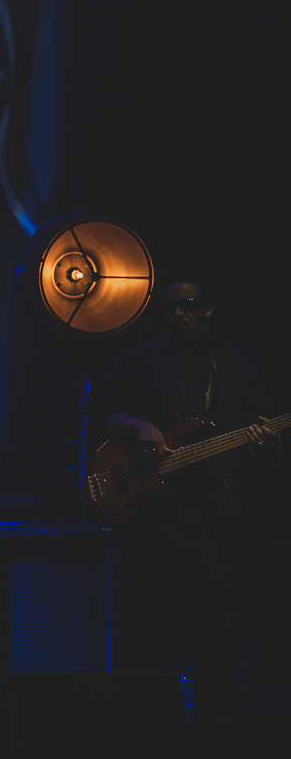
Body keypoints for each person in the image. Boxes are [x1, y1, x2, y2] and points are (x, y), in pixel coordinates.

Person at [94, 278, 277, 720]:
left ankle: (214, 731)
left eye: (188, 306)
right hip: (152, 512)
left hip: (214, 509)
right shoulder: (141, 358)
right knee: (149, 621)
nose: (177, 313)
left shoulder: (237, 366)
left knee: (215, 623)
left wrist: (264, 440)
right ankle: (147, 722)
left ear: (209, 310)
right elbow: (107, 413)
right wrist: (138, 425)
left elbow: (263, 436)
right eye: (170, 306)